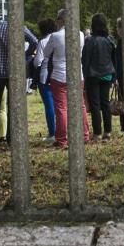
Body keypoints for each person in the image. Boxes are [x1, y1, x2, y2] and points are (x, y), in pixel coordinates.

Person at [0, 19, 38, 145]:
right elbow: (34, 41)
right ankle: (12, 136)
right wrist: (25, 55)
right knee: (13, 105)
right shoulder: (19, 26)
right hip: (14, 72)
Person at [41, 8, 89, 149]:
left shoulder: (55, 36)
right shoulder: (80, 34)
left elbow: (46, 53)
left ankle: (62, 138)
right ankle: (84, 134)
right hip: (77, 74)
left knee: (61, 108)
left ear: (61, 20)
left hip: (59, 75)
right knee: (80, 105)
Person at [82, 13, 117, 142]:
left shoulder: (90, 41)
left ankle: (97, 132)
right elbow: (114, 59)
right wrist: (114, 76)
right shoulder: (110, 40)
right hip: (107, 74)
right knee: (105, 103)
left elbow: (85, 59)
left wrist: (84, 76)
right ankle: (108, 132)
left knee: (95, 105)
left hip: (92, 75)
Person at [34, 18, 58, 142]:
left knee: (49, 106)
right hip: (59, 75)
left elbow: (37, 61)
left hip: (45, 76)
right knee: (60, 105)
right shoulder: (59, 38)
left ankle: (52, 133)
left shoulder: (43, 42)